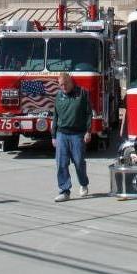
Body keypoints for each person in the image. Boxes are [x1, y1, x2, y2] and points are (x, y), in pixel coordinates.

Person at [51, 71, 91, 202]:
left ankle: (83, 183)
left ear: (71, 81)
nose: (63, 87)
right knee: (61, 164)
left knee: (79, 162)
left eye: (65, 84)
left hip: (78, 134)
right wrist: (53, 136)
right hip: (61, 134)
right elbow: (55, 116)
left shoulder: (82, 93)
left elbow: (88, 113)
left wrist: (88, 131)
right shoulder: (58, 96)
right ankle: (64, 191)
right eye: (60, 85)